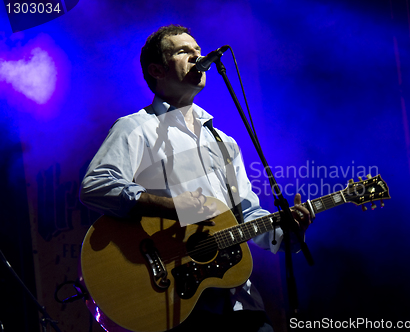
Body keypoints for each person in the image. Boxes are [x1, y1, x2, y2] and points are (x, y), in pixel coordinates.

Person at [80, 24, 311, 332]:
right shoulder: (136, 127)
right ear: (157, 70)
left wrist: (288, 232)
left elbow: (247, 217)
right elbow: (96, 186)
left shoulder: (224, 142)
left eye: (198, 51)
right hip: (176, 301)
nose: (197, 57)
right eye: (183, 52)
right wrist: (171, 206)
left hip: (239, 300)